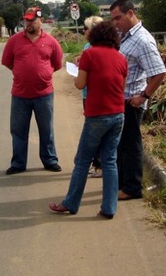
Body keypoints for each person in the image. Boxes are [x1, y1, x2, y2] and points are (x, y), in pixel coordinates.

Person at [49, 20, 127, 219]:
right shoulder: (121, 58)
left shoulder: (89, 54)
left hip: (97, 114)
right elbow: (122, 86)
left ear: (94, 36)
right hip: (118, 114)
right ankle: (109, 208)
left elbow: (79, 84)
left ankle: (71, 203)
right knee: (110, 160)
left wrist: (80, 70)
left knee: (82, 161)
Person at [109, 0, 166, 200]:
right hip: (119, 100)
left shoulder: (143, 40)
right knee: (121, 144)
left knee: (131, 145)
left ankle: (132, 188)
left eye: (119, 18)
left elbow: (159, 72)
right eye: (113, 19)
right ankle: (122, 183)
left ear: (131, 13)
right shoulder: (123, 36)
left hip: (131, 102)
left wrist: (143, 96)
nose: (116, 23)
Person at [1, 6, 64, 174]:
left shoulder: (51, 42)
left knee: (46, 129)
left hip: (44, 95)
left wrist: (43, 74)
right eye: (26, 20)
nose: (27, 23)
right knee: (18, 131)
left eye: (31, 20)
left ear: (40, 20)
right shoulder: (14, 40)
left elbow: (57, 64)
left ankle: (50, 160)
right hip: (20, 94)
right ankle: (18, 163)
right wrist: (21, 72)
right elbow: (7, 61)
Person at [79, 15, 104, 177]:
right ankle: (96, 163)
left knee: (96, 132)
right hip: (87, 94)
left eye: (86, 28)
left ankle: (99, 165)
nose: (84, 31)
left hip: (95, 95)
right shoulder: (87, 46)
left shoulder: (102, 49)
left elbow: (81, 81)